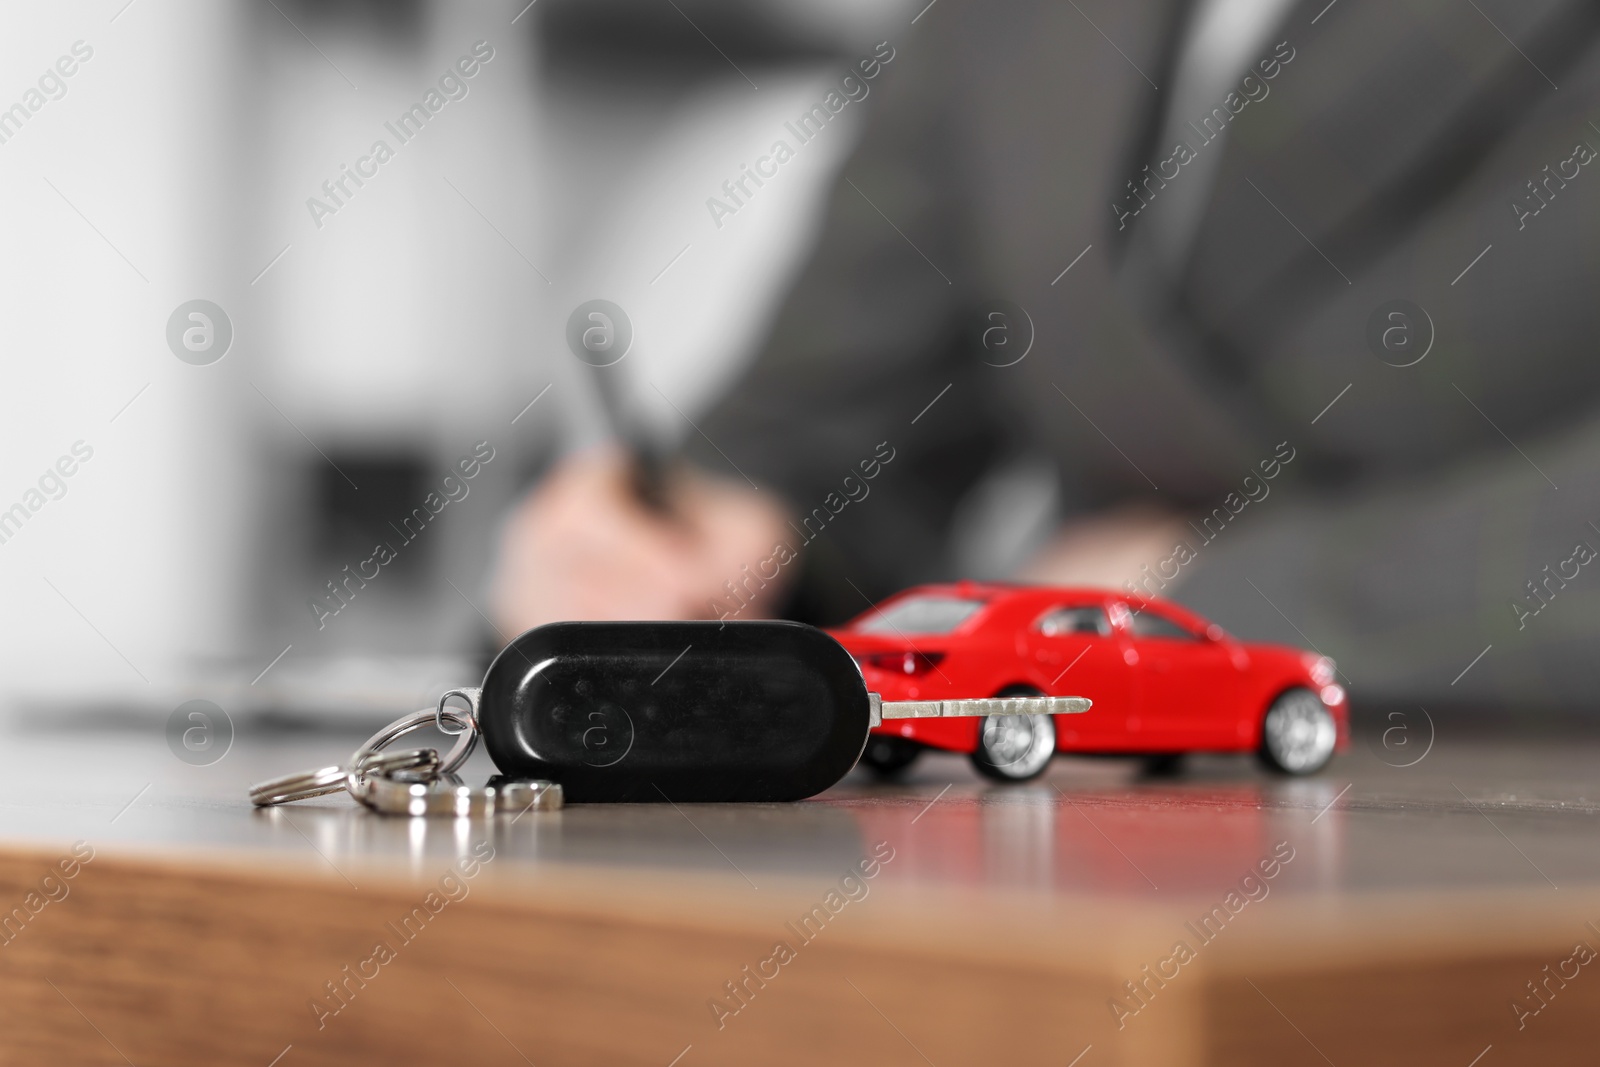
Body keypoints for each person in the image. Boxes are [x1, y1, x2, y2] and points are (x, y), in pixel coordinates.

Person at [493, 0, 1600, 707]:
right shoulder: (1005, 28)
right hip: (1087, 840)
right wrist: (685, 544)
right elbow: (813, 446)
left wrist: (1196, 600)